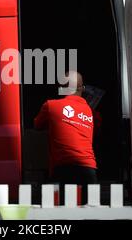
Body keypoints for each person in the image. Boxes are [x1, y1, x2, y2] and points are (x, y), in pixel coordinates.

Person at [34, 71, 97, 204]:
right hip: (89, 170)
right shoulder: (90, 111)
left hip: (63, 169)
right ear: (83, 89)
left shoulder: (51, 106)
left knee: (62, 213)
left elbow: (37, 125)